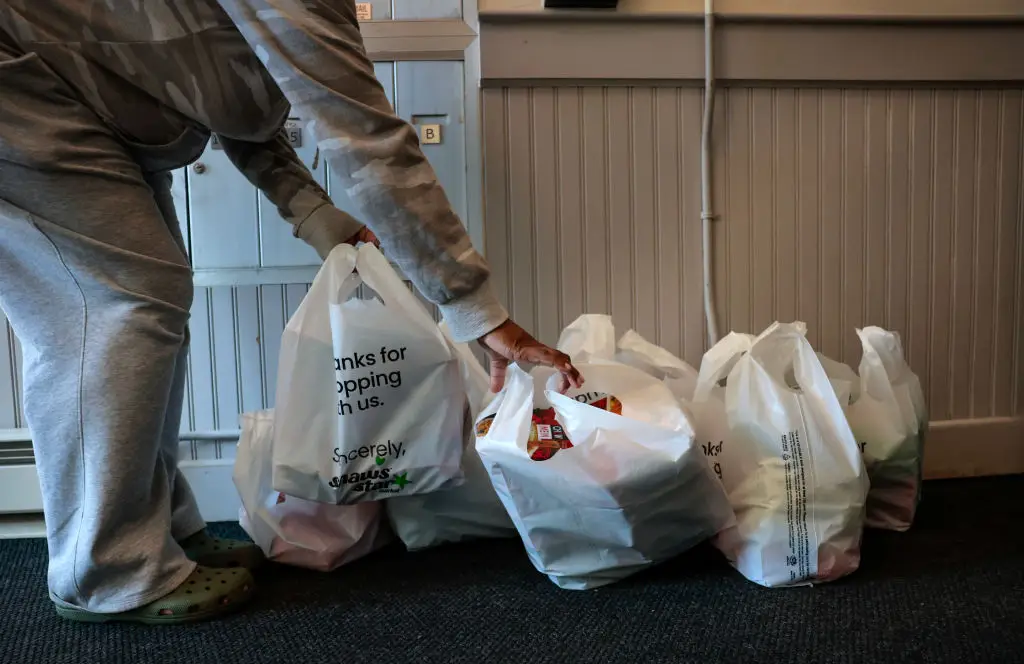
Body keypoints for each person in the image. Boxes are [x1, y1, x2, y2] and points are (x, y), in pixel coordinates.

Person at [0, 0, 582, 625]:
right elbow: (366, 137)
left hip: (71, 99)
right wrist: (478, 311)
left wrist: (309, 211)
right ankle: (106, 570)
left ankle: (154, 531)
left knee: (149, 303)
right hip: (24, 90)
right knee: (119, 305)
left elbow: (234, 92)